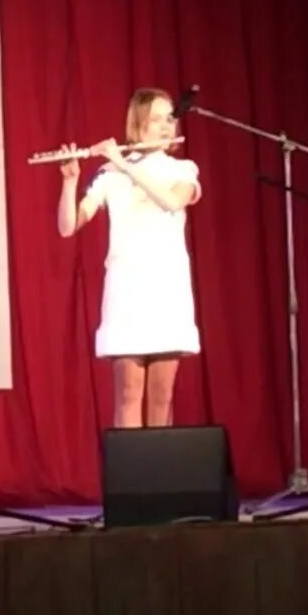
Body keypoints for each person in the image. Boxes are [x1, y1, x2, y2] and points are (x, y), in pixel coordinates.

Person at [56, 87, 202, 428]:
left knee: (162, 396)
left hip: (167, 287)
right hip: (126, 289)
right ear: (137, 125)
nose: (166, 126)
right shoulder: (109, 174)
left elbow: (171, 201)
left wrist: (124, 164)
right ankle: (129, 465)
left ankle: (161, 465)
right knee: (128, 393)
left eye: (169, 119)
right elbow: (67, 227)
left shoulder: (183, 169)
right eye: (156, 120)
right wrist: (70, 182)